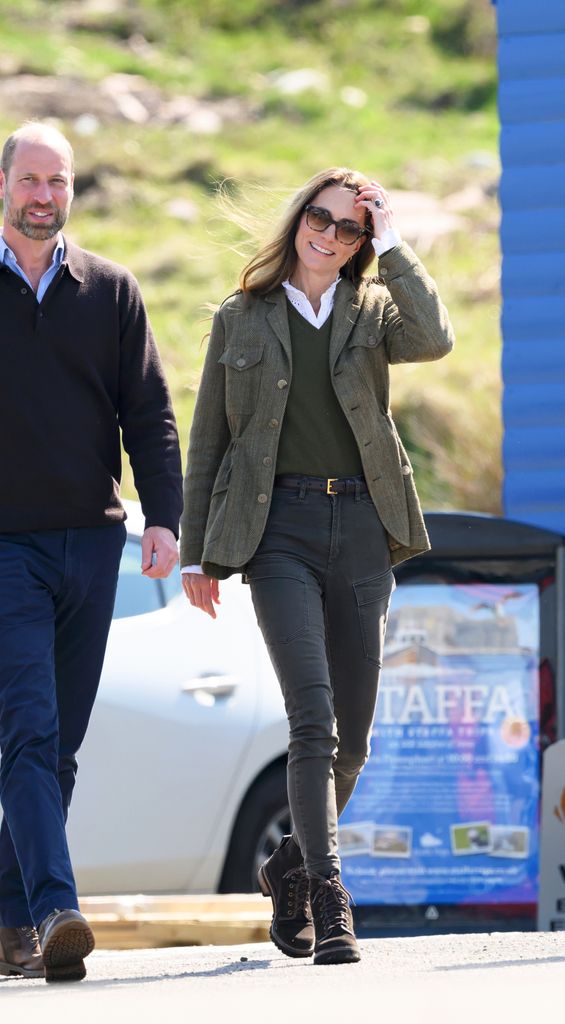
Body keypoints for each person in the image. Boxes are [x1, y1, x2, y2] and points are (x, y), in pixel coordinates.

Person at [0, 122, 182, 983]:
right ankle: (57, 907)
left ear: (71, 189)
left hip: (93, 542)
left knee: (56, 751)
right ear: (0, 183)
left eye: (58, 181)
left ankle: (15, 928)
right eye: (29, 179)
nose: (43, 196)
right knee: (29, 728)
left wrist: (164, 518)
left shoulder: (112, 291)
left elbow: (149, 415)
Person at [180, 169, 453, 965]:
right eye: (318, 218)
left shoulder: (374, 310)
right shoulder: (240, 316)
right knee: (313, 720)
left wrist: (393, 239)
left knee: (353, 740)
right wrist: (197, 551)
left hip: (363, 525)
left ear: (361, 241)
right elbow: (208, 439)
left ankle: (288, 868)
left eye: (347, 228)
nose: (327, 235)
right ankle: (330, 897)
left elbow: (435, 337)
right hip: (278, 533)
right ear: (299, 218)